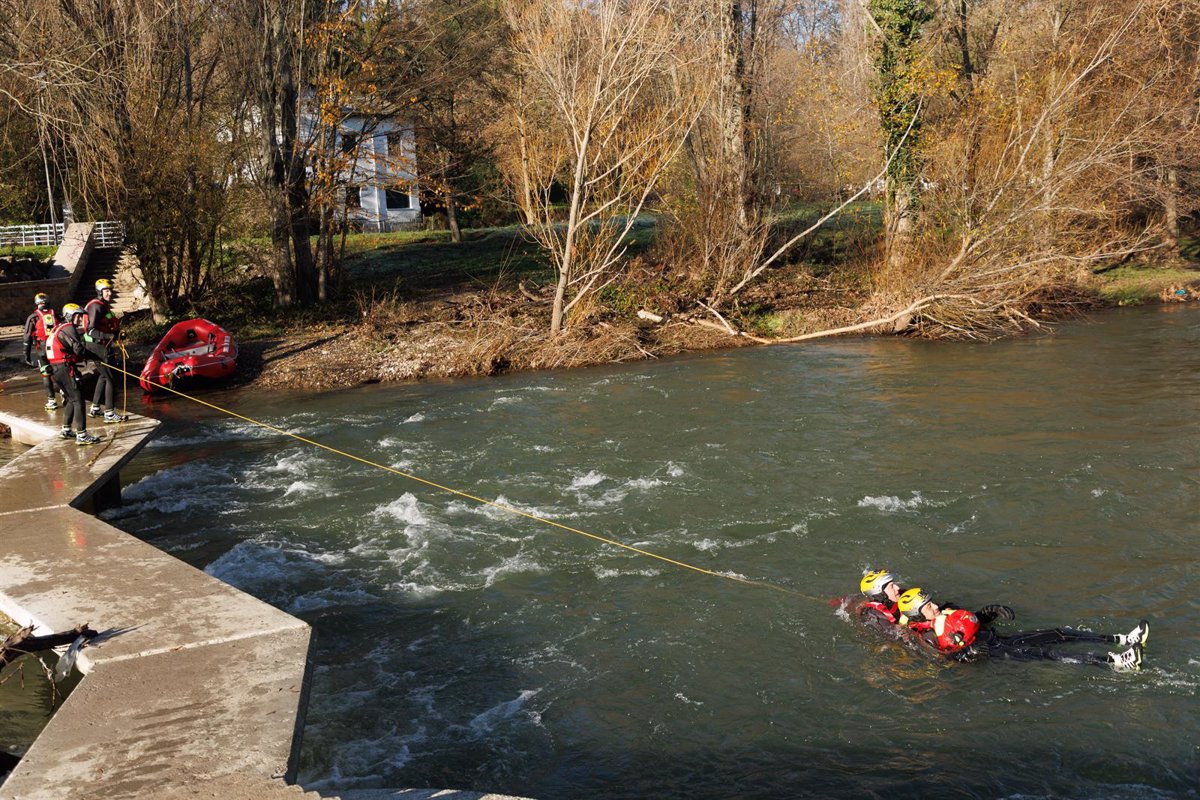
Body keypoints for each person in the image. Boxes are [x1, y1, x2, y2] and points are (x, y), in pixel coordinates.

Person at [900, 591, 1149, 672]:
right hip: (994, 653)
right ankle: (1115, 662)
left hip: (997, 639)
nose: (934, 605)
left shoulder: (943, 613)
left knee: (1058, 633)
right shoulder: (925, 636)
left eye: (930, 601)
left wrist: (991, 611)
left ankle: (1120, 638)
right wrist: (968, 654)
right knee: (1047, 653)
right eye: (928, 605)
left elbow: (971, 622)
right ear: (917, 614)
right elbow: (941, 661)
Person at [47, 304, 101, 445]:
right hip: (64, 369)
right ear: (69, 316)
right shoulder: (69, 328)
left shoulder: (58, 328)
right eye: (77, 316)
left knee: (71, 398)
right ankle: (82, 435)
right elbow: (79, 350)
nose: (79, 319)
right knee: (78, 399)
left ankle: (66, 430)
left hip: (56, 369)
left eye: (80, 316)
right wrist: (96, 356)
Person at [83, 278, 126, 423]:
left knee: (103, 376)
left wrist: (117, 333)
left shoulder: (103, 306)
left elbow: (108, 324)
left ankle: (95, 408)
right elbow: (90, 331)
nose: (110, 293)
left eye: (110, 290)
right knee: (110, 378)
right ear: (99, 292)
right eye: (106, 290)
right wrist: (110, 336)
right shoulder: (95, 307)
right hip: (97, 346)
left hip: (103, 345)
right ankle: (109, 413)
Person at [22, 293, 61, 410]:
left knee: (46, 374)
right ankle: (65, 394)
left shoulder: (33, 317)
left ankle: (51, 400)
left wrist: (26, 355)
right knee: (59, 372)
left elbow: (27, 337)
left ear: (36, 303)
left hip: (42, 350)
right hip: (56, 348)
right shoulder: (56, 315)